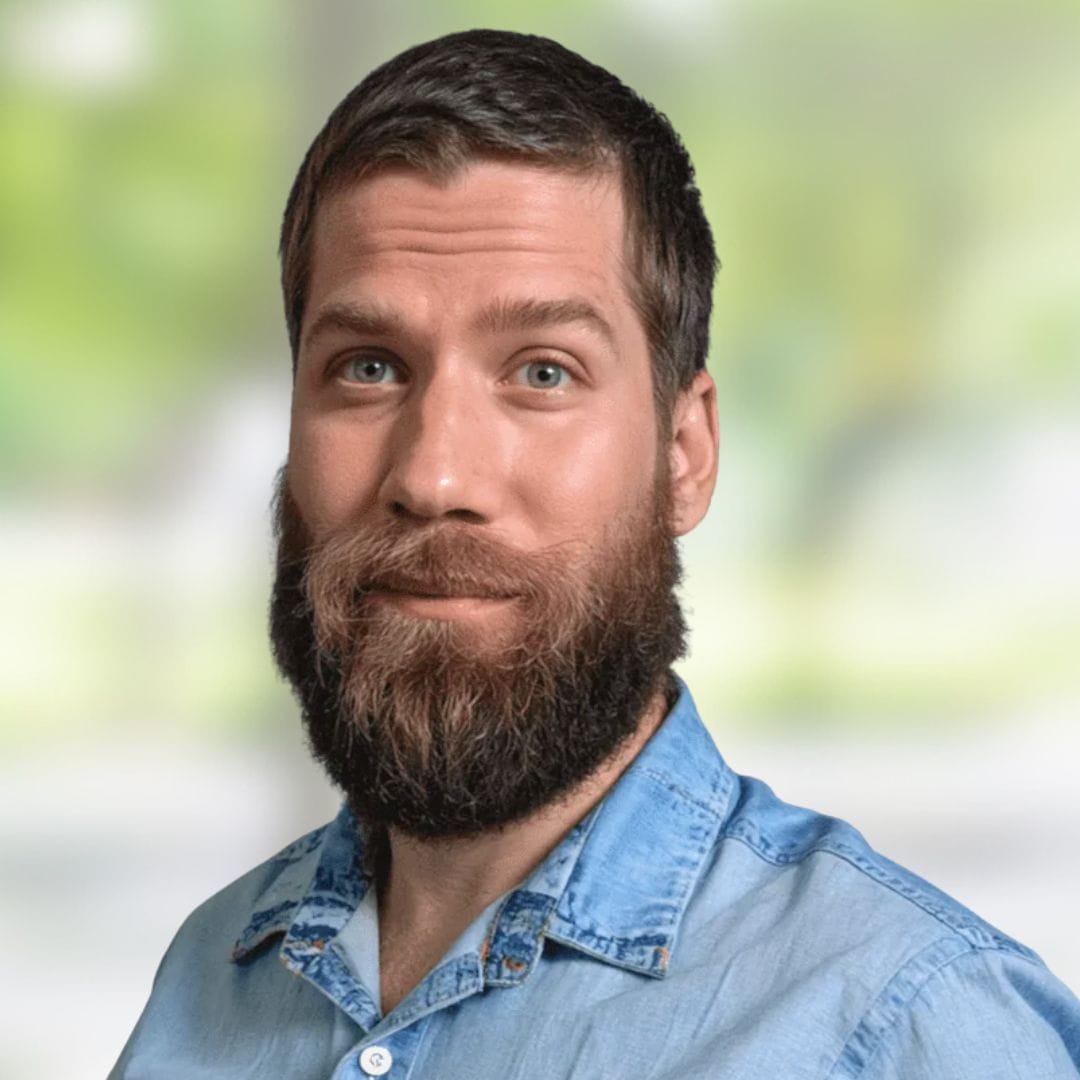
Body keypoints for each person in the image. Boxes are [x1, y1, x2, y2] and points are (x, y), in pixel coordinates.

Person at [111, 29, 1080, 1080]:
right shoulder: (209, 976)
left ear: (683, 455)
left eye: (542, 373)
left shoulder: (910, 1029)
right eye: (370, 366)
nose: (436, 478)